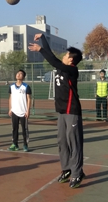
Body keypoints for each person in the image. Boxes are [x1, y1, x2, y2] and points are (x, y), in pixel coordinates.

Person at [28, 34, 85, 188]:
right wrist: (43, 38)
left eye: (66, 55)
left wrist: (40, 49)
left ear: (71, 60)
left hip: (72, 111)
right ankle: (66, 169)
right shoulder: (61, 67)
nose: (64, 56)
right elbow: (52, 57)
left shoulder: (72, 70)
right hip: (61, 111)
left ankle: (77, 173)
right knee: (62, 141)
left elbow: (52, 60)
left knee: (74, 142)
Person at [8, 69, 32, 152]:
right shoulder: (11, 86)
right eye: (17, 73)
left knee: (24, 129)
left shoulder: (26, 86)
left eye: (20, 74)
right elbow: (10, 98)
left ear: (23, 77)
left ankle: (25, 144)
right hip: (14, 111)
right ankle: (15, 144)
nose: (18, 74)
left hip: (23, 112)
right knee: (14, 129)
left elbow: (29, 99)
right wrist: (10, 109)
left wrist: (28, 110)